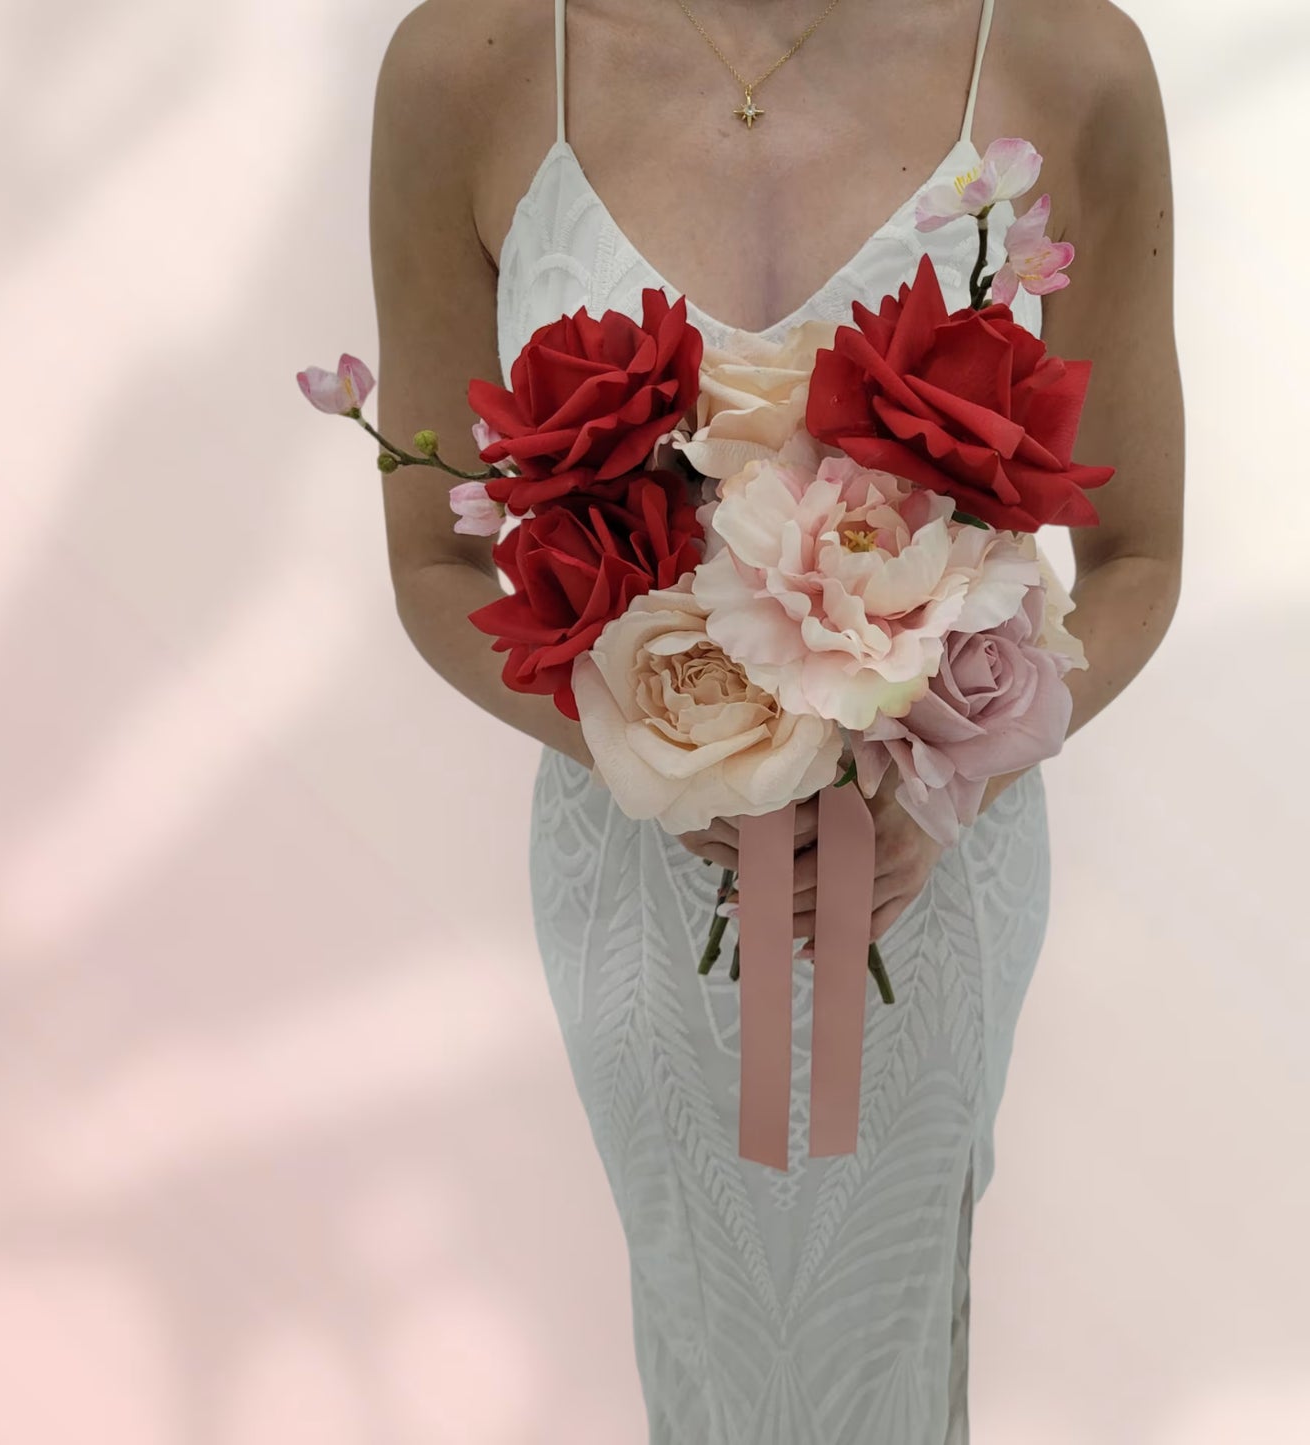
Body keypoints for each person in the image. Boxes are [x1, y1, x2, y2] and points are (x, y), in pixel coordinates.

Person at [369, 0, 1183, 1438]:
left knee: (886, 1315)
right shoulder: (472, 61)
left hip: (933, 863)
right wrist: (682, 754)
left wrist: (941, 771)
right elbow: (437, 560)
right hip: (640, 847)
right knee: (701, 1311)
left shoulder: (1065, 55)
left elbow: (1135, 557)